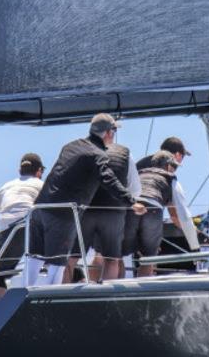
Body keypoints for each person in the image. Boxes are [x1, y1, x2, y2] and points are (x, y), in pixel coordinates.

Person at [33, 113, 146, 285]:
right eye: (113, 131)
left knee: (36, 258)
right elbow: (108, 179)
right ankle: (52, 303)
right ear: (108, 133)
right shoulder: (97, 153)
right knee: (58, 262)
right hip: (62, 213)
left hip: (40, 207)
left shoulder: (70, 146)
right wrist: (131, 202)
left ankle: (31, 291)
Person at [0, 153, 45, 300]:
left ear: (20, 171)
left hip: (8, 230)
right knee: (57, 261)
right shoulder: (41, 184)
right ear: (39, 172)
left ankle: (9, 307)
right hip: (33, 227)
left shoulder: (7, 186)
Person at [69, 142, 141, 282]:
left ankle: (64, 297)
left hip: (85, 210)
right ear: (110, 133)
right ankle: (106, 297)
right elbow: (135, 190)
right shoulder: (125, 153)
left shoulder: (81, 151)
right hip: (113, 212)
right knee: (111, 259)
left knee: (71, 258)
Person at [123, 150, 197, 277]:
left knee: (118, 256)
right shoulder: (170, 178)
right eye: (174, 167)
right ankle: (143, 294)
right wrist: (195, 244)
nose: (174, 170)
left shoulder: (139, 174)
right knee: (148, 259)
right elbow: (179, 216)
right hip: (152, 209)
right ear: (168, 166)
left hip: (131, 209)